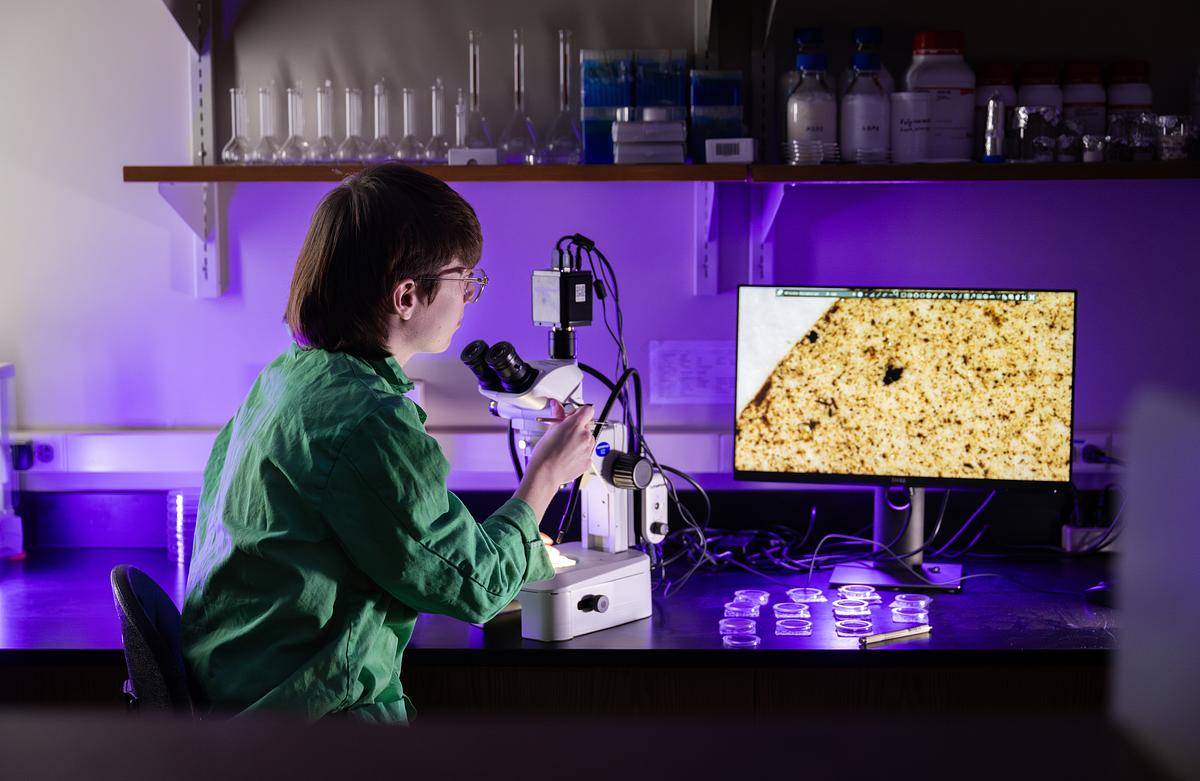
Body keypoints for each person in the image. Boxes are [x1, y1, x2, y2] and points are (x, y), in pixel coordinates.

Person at [181, 163, 595, 723]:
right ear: (407, 296)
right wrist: (546, 474)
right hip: (314, 729)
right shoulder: (371, 419)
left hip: (244, 706)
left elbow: (405, 541)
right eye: (464, 278)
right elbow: (477, 588)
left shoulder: (290, 377)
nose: (469, 296)